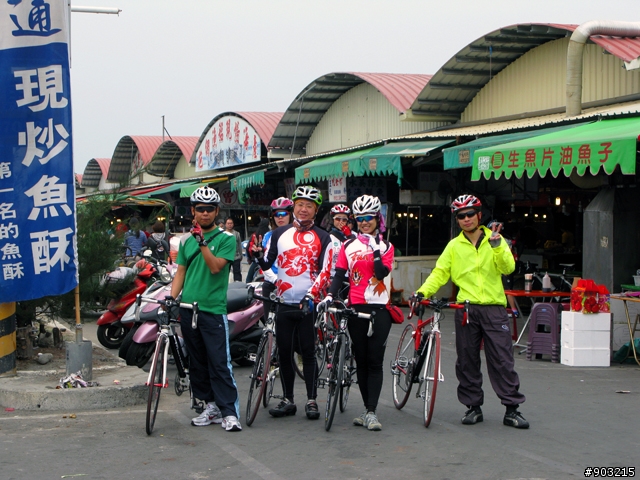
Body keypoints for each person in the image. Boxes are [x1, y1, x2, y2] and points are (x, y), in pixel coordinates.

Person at [415, 194, 529, 429]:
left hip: (495, 308)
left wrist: (498, 246)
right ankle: (472, 407)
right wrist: (421, 293)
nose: (466, 219)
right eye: (461, 216)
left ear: (479, 215)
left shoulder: (495, 239)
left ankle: (512, 409)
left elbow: (509, 268)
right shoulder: (454, 246)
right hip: (465, 308)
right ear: (457, 220)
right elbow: (439, 273)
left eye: (470, 214)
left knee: (502, 359)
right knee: (467, 360)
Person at [252, 186, 332, 420]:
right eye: (300, 205)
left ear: (316, 210)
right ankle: (288, 399)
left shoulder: (324, 237)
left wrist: (310, 296)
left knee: (308, 352)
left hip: (308, 303)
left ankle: (312, 400)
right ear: (293, 207)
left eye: (309, 205)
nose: (304, 209)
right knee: (284, 353)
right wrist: (268, 270)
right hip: (284, 303)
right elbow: (266, 265)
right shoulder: (279, 234)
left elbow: (325, 272)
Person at [168, 185, 242, 432]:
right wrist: (171, 298)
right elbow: (181, 272)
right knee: (197, 363)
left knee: (219, 363)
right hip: (189, 309)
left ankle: (229, 412)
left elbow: (214, 267)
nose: (205, 213)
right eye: (200, 209)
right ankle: (210, 406)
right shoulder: (185, 240)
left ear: (217, 211)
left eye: (210, 209)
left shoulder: (226, 239)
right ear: (193, 211)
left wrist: (202, 243)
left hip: (212, 309)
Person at [317, 195, 394, 431]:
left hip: (380, 310)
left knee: (375, 361)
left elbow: (381, 274)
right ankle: (366, 409)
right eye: (360, 219)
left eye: (369, 218)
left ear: (377, 218)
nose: (364, 222)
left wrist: (375, 249)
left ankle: (372, 411)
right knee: (360, 359)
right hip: (356, 307)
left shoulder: (387, 246)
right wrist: (330, 295)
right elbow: (340, 273)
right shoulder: (349, 246)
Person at [246, 214, 270, 283]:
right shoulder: (270, 235)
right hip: (269, 261)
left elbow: (248, 248)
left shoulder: (254, 235)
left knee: (248, 280)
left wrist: (250, 259)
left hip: (256, 261)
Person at [225, 217, 243, 282]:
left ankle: (238, 285)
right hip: (226, 257)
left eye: (231, 223)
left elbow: (239, 245)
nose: (230, 225)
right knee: (225, 272)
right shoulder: (222, 234)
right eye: (228, 223)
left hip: (236, 256)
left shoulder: (237, 234)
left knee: (237, 272)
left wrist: (241, 255)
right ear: (225, 224)